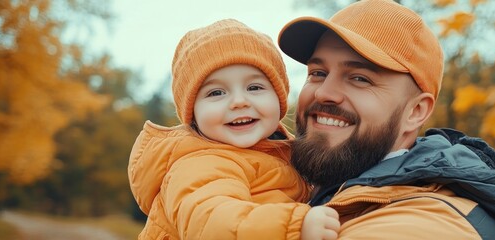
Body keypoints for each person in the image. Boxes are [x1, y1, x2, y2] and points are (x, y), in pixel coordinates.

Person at [278, 0, 495, 239]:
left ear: (416, 112)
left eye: (360, 79)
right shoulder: (305, 187)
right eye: (318, 72)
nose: (325, 93)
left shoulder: (432, 223)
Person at [128, 19, 340, 240]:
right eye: (216, 93)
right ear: (193, 115)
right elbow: (212, 223)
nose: (239, 101)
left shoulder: (283, 152)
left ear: (278, 99)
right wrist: (295, 226)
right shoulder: (200, 163)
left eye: (254, 87)